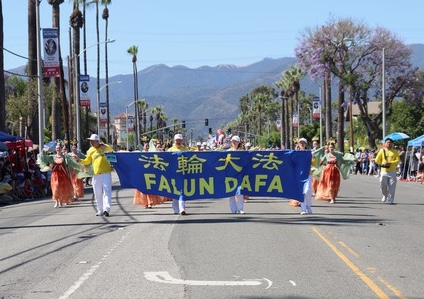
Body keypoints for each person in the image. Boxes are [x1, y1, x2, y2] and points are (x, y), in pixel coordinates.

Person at [80, 134, 114, 216]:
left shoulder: (104, 147)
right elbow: (87, 161)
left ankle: (107, 209)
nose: (91, 142)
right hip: (96, 174)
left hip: (106, 173)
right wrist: (79, 160)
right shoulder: (90, 150)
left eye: (93, 141)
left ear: (97, 141)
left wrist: (105, 148)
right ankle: (100, 210)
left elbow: (112, 152)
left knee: (107, 191)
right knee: (97, 192)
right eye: (90, 141)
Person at [39, 143, 81, 208]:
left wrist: (79, 166)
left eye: (59, 148)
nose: (58, 149)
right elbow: (44, 158)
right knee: (56, 188)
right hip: (55, 175)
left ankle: (61, 202)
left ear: (61, 149)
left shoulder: (65, 157)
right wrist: (44, 151)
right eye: (57, 148)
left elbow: (71, 163)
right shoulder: (52, 157)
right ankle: (56, 201)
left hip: (63, 175)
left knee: (61, 189)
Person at [167, 133, 189, 215]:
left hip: (183, 174)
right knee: (174, 192)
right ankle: (176, 209)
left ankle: (182, 209)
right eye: (177, 140)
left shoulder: (186, 150)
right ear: (174, 141)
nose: (178, 142)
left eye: (180, 140)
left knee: (182, 191)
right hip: (173, 174)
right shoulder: (170, 150)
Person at [375, 138, 400, 204]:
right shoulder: (382, 151)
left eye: (390, 142)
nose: (389, 144)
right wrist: (382, 163)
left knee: (392, 186)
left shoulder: (395, 151)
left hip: (392, 171)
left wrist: (390, 162)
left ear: (392, 144)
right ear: (385, 143)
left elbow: (398, 160)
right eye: (387, 142)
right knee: (382, 185)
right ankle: (384, 195)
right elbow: (377, 160)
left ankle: (390, 199)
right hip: (384, 171)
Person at [227, 135, 245, 214]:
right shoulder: (228, 151)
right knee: (231, 192)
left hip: (239, 174)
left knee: (240, 191)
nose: (234, 142)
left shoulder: (242, 152)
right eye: (233, 141)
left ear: (238, 142)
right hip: (230, 174)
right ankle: (233, 209)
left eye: (235, 141)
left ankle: (240, 208)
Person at [297, 138, 313, 215]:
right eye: (301, 143)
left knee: (308, 191)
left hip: (308, 174)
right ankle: (303, 208)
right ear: (298, 145)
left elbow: (314, 161)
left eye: (303, 143)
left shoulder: (310, 153)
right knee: (302, 192)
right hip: (299, 175)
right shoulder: (295, 153)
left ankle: (308, 206)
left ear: (306, 144)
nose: (302, 144)